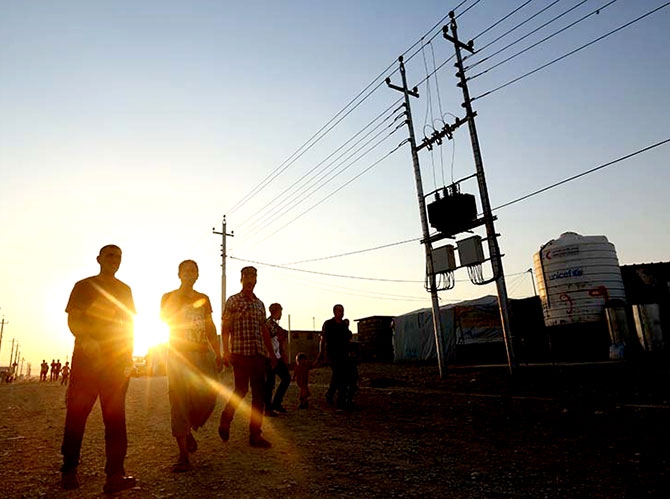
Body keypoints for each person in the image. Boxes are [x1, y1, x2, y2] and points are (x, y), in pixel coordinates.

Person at [60, 244, 137, 494]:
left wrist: (128, 357)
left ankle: (115, 474)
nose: (115, 260)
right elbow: (74, 319)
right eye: (110, 255)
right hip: (87, 359)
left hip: (116, 362)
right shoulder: (83, 286)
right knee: (77, 414)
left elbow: (129, 325)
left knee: (115, 418)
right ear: (99, 259)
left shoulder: (125, 290)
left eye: (119, 257)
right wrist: (87, 339)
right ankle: (69, 470)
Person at [161, 260, 223, 473]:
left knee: (209, 395)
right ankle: (183, 455)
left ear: (197, 275)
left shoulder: (203, 298)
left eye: (193, 270)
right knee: (178, 400)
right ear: (179, 274)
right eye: (186, 270)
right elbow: (165, 320)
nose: (189, 273)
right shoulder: (168, 297)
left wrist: (218, 352)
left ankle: (188, 429)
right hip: (178, 355)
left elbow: (210, 325)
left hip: (202, 354)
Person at [218, 266, 276, 448]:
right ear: (241, 279)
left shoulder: (260, 305)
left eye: (254, 276)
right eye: (247, 276)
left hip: (258, 353)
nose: (251, 279)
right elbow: (226, 327)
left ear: (256, 280)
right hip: (240, 353)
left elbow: (264, 329)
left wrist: (272, 353)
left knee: (259, 394)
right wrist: (225, 351)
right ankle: (226, 417)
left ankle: (255, 434)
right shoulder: (233, 301)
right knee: (241, 390)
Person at [317, 304, 353, 410]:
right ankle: (340, 402)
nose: (341, 313)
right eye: (339, 311)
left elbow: (348, 338)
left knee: (339, 377)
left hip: (343, 353)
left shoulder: (343, 325)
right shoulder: (328, 324)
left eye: (342, 311)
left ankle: (331, 394)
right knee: (339, 375)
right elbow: (323, 339)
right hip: (332, 354)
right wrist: (321, 353)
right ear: (334, 312)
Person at [263, 303, 291, 416]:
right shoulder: (269, 324)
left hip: (276, 356)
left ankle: (275, 403)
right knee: (270, 383)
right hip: (270, 357)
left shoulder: (272, 324)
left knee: (285, 378)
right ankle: (269, 408)